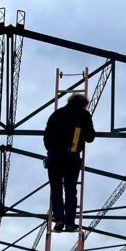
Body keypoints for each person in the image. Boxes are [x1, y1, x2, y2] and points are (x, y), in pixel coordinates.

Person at [43, 92, 96, 233]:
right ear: (84, 104)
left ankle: (59, 219)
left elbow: (46, 137)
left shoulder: (56, 114)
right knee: (70, 190)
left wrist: (52, 150)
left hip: (54, 155)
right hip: (71, 154)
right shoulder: (83, 115)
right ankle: (70, 223)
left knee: (56, 190)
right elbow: (90, 137)